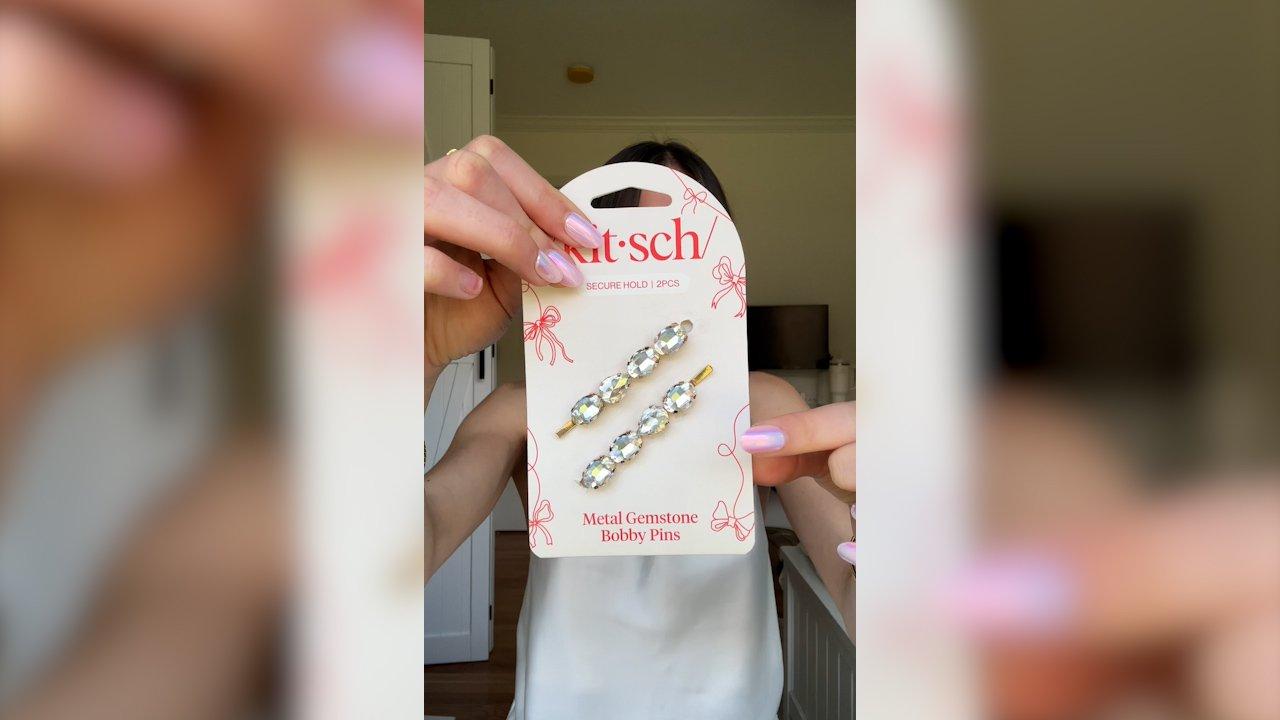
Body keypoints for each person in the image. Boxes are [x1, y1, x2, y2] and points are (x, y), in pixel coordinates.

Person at [425, 140, 857, 719]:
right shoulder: (522, 411)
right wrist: (417, 357)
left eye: (681, 238)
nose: (653, 267)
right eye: (629, 239)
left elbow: (857, 594)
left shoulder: (763, 404)